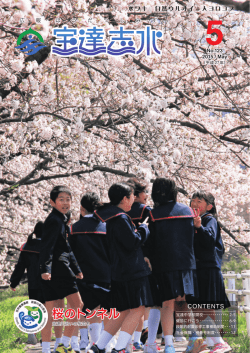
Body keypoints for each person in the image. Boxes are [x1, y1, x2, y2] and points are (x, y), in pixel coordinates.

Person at [88, 182, 153, 353]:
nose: (133, 200)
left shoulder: (111, 218)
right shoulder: (121, 218)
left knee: (123, 311)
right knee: (138, 309)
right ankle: (120, 348)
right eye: (132, 196)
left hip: (119, 271)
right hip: (132, 271)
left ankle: (99, 346)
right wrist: (144, 229)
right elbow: (133, 242)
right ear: (125, 198)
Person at [146, 178, 202, 353]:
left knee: (167, 304)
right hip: (186, 263)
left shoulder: (153, 215)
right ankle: (194, 336)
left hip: (164, 264)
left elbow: (150, 242)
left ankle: (169, 345)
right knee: (182, 302)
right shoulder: (188, 211)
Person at [39, 185, 83, 353]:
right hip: (59, 270)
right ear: (52, 202)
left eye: (68, 199)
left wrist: (77, 268)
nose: (65, 203)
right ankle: (62, 344)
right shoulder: (54, 221)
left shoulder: (61, 219)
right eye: (61, 200)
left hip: (57, 269)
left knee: (52, 310)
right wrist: (45, 269)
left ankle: (47, 349)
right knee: (77, 305)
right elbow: (47, 247)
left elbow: (66, 248)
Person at [187, 191, 232, 353]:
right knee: (198, 305)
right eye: (193, 200)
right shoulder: (192, 221)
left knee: (206, 305)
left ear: (209, 206)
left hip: (208, 268)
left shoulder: (209, 220)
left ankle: (219, 341)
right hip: (198, 268)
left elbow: (210, 240)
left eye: (199, 201)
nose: (194, 204)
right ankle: (212, 340)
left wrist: (199, 227)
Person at [70, 192, 111, 352]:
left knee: (87, 309)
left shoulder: (73, 229)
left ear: (82, 208)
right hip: (104, 274)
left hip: (81, 275)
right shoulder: (105, 227)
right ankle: (102, 344)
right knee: (102, 309)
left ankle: (93, 343)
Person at [10, 221, 44, 345]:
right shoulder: (48, 246)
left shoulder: (27, 247)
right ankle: (45, 337)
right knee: (46, 309)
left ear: (34, 233)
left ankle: (32, 333)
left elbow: (20, 267)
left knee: (34, 308)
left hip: (33, 284)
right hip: (47, 284)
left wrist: (14, 283)